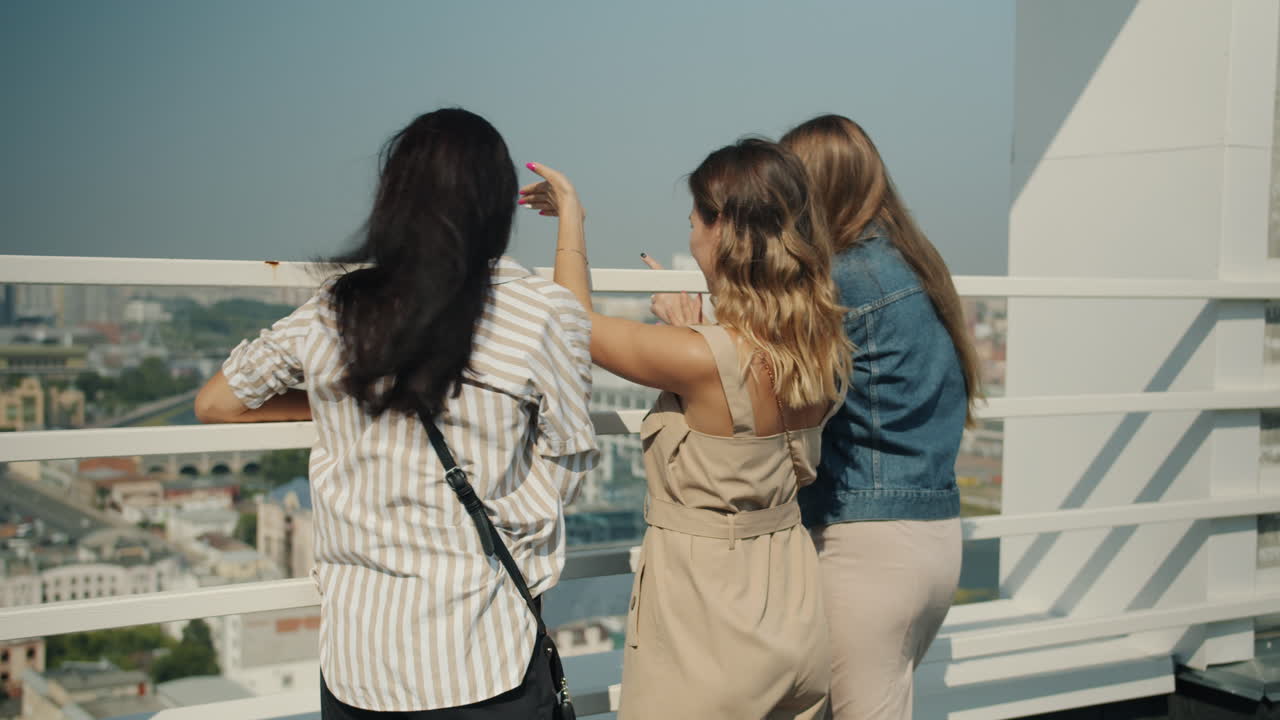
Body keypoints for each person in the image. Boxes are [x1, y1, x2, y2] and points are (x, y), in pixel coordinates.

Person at [194, 108, 599, 719]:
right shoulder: (536, 313)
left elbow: (216, 402)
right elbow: (566, 450)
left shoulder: (335, 309)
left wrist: (347, 394)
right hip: (482, 658)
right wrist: (572, 221)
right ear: (492, 205)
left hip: (358, 669)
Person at [518, 138, 851, 719]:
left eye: (695, 221)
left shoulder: (702, 360)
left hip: (710, 621)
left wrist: (571, 215)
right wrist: (699, 333)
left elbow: (574, 325)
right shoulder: (822, 348)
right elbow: (748, 379)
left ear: (723, 229)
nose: (691, 235)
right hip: (794, 611)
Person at [783, 114, 981, 720]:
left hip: (868, 545)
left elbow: (778, 388)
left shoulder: (843, 280)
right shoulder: (917, 265)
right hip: (935, 536)